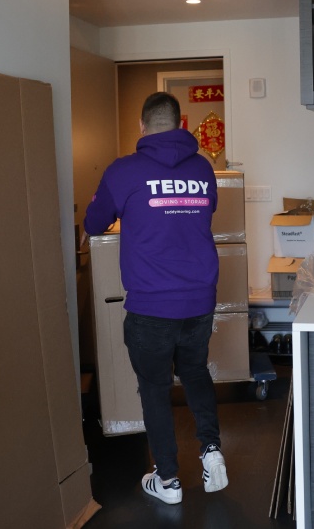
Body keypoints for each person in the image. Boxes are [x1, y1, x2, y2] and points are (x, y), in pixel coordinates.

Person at [80, 92, 228, 505]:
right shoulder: (203, 168)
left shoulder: (123, 171)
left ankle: (168, 480)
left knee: (155, 388)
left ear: (142, 127)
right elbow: (205, 211)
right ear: (182, 126)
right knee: (196, 373)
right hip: (199, 300)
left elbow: (95, 222)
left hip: (151, 306)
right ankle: (212, 451)